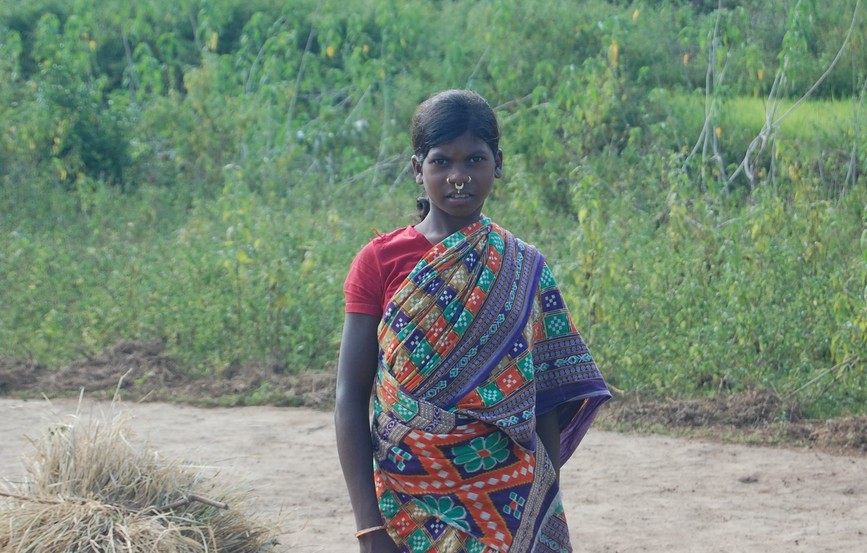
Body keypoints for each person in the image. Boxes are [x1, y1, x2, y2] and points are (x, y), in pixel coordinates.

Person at [335, 89, 611, 553]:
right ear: (416, 168)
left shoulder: (524, 266)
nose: (458, 177)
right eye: (441, 162)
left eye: (475, 160)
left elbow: (544, 395)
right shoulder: (379, 261)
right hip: (407, 499)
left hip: (507, 498)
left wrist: (540, 499)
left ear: (497, 164)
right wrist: (369, 527)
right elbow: (349, 395)